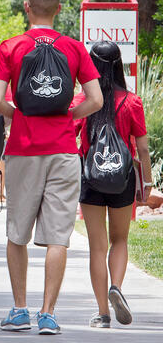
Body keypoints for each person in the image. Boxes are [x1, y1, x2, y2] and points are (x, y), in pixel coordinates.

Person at [0, 0, 103, 335]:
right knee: (58, 237)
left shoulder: (10, 47)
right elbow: (96, 99)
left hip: (24, 150)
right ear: (57, 9)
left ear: (27, 7)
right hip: (64, 151)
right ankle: (48, 314)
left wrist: (17, 114)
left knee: (17, 233)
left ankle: (20, 309)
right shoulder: (73, 48)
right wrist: (70, 116)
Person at [74, 41, 152, 328]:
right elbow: (142, 149)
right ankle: (116, 286)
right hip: (123, 178)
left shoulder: (82, 100)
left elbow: (67, 131)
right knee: (120, 239)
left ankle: (103, 313)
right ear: (119, 65)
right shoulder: (132, 101)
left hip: (91, 177)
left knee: (98, 245)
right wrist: (147, 182)